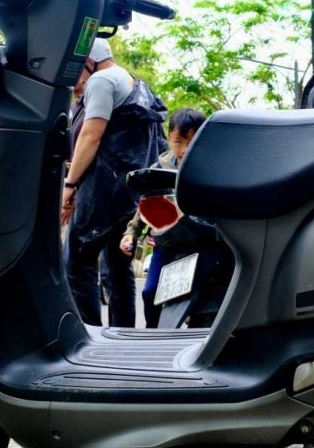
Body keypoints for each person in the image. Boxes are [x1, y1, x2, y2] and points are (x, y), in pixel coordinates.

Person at [61, 39, 167, 327]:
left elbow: (90, 136)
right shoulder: (138, 84)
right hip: (130, 193)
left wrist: (70, 186)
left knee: (77, 264)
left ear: (89, 61)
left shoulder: (102, 81)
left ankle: (88, 336)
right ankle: (123, 335)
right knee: (118, 271)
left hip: (101, 191)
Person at [120, 108, 206, 327]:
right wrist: (131, 233)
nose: (185, 149)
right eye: (178, 141)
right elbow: (144, 207)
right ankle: (153, 335)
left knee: (203, 298)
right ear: (169, 137)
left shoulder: (211, 169)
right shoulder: (158, 170)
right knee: (150, 293)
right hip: (165, 245)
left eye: (192, 141)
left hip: (201, 246)